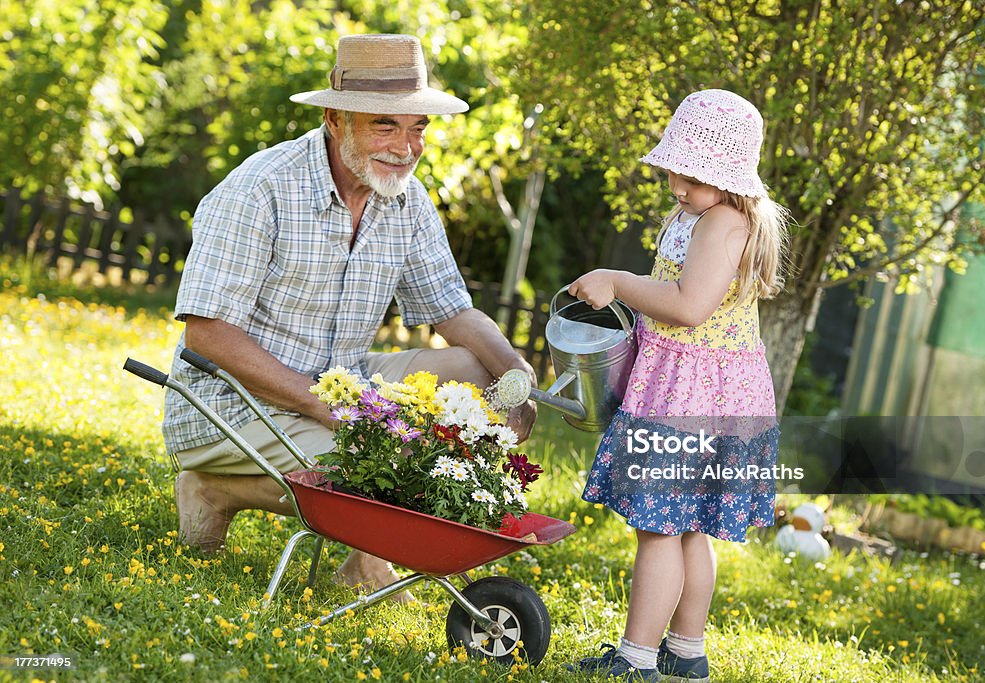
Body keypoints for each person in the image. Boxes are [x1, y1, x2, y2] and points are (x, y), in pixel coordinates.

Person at [161, 33, 537, 594]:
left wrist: (516, 376)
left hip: (343, 388)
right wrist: (329, 410)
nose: (406, 147)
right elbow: (208, 335)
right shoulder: (259, 189)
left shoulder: (408, 199)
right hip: (230, 403)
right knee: (392, 460)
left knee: (474, 373)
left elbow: (453, 309)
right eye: (386, 125)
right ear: (336, 120)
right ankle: (214, 488)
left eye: (418, 128)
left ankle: (360, 561)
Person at [565, 89, 790, 681]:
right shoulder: (700, 213)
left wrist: (616, 279)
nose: (679, 187)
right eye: (678, 173)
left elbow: (689, 306)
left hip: (696, 394)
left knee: (660, 526)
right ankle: (686, 652)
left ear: (731, 176)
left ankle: (635, 660)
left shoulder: (725, 220)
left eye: (695, 176)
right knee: (686, 526)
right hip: (696, 387)